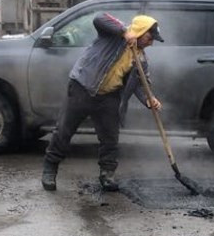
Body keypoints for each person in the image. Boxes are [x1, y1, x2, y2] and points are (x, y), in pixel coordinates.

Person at [41, 13, 163, 192]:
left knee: (110, 138)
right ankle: (49, 169)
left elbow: (140, 84)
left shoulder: (141, 58)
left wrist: (149, 99)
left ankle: (107, 174)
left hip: (109, 96)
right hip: (82, 88)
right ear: (140, 31)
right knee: (64, 131)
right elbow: (100, 18)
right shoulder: (114, 36)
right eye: (149, 37)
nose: (151, 42)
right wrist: (123, 32)